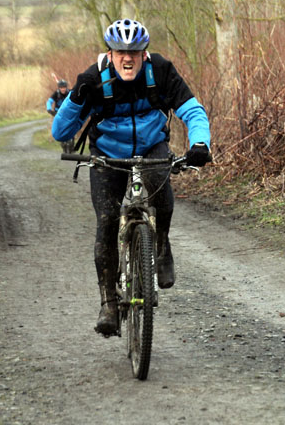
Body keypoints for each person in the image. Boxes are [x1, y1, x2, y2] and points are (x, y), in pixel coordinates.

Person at [52, 18, 212, 336]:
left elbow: (192, 110)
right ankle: (109, 305)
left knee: (161, 193)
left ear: (145, 54)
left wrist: (199, 143)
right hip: (107, 155)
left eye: (135, 52)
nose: (128, 58)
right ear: (110, 54)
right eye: (120, 51)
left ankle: (162, 245)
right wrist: (76, 98)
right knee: (108, 219)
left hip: (152, 145)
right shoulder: (93, 79)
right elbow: (60, 131)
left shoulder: (161, 71)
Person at [46, 79, 73, 152]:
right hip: (58, 113)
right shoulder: (56, 94)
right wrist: (49, 109)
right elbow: (49, 101)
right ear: (59, 88)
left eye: (64, 87)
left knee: (71, 126)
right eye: (61, 87)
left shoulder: (70, 92)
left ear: (66, 87)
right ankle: (63, 142)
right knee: (60, 128)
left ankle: (71, 140)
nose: (63, 89)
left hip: (68, 112)